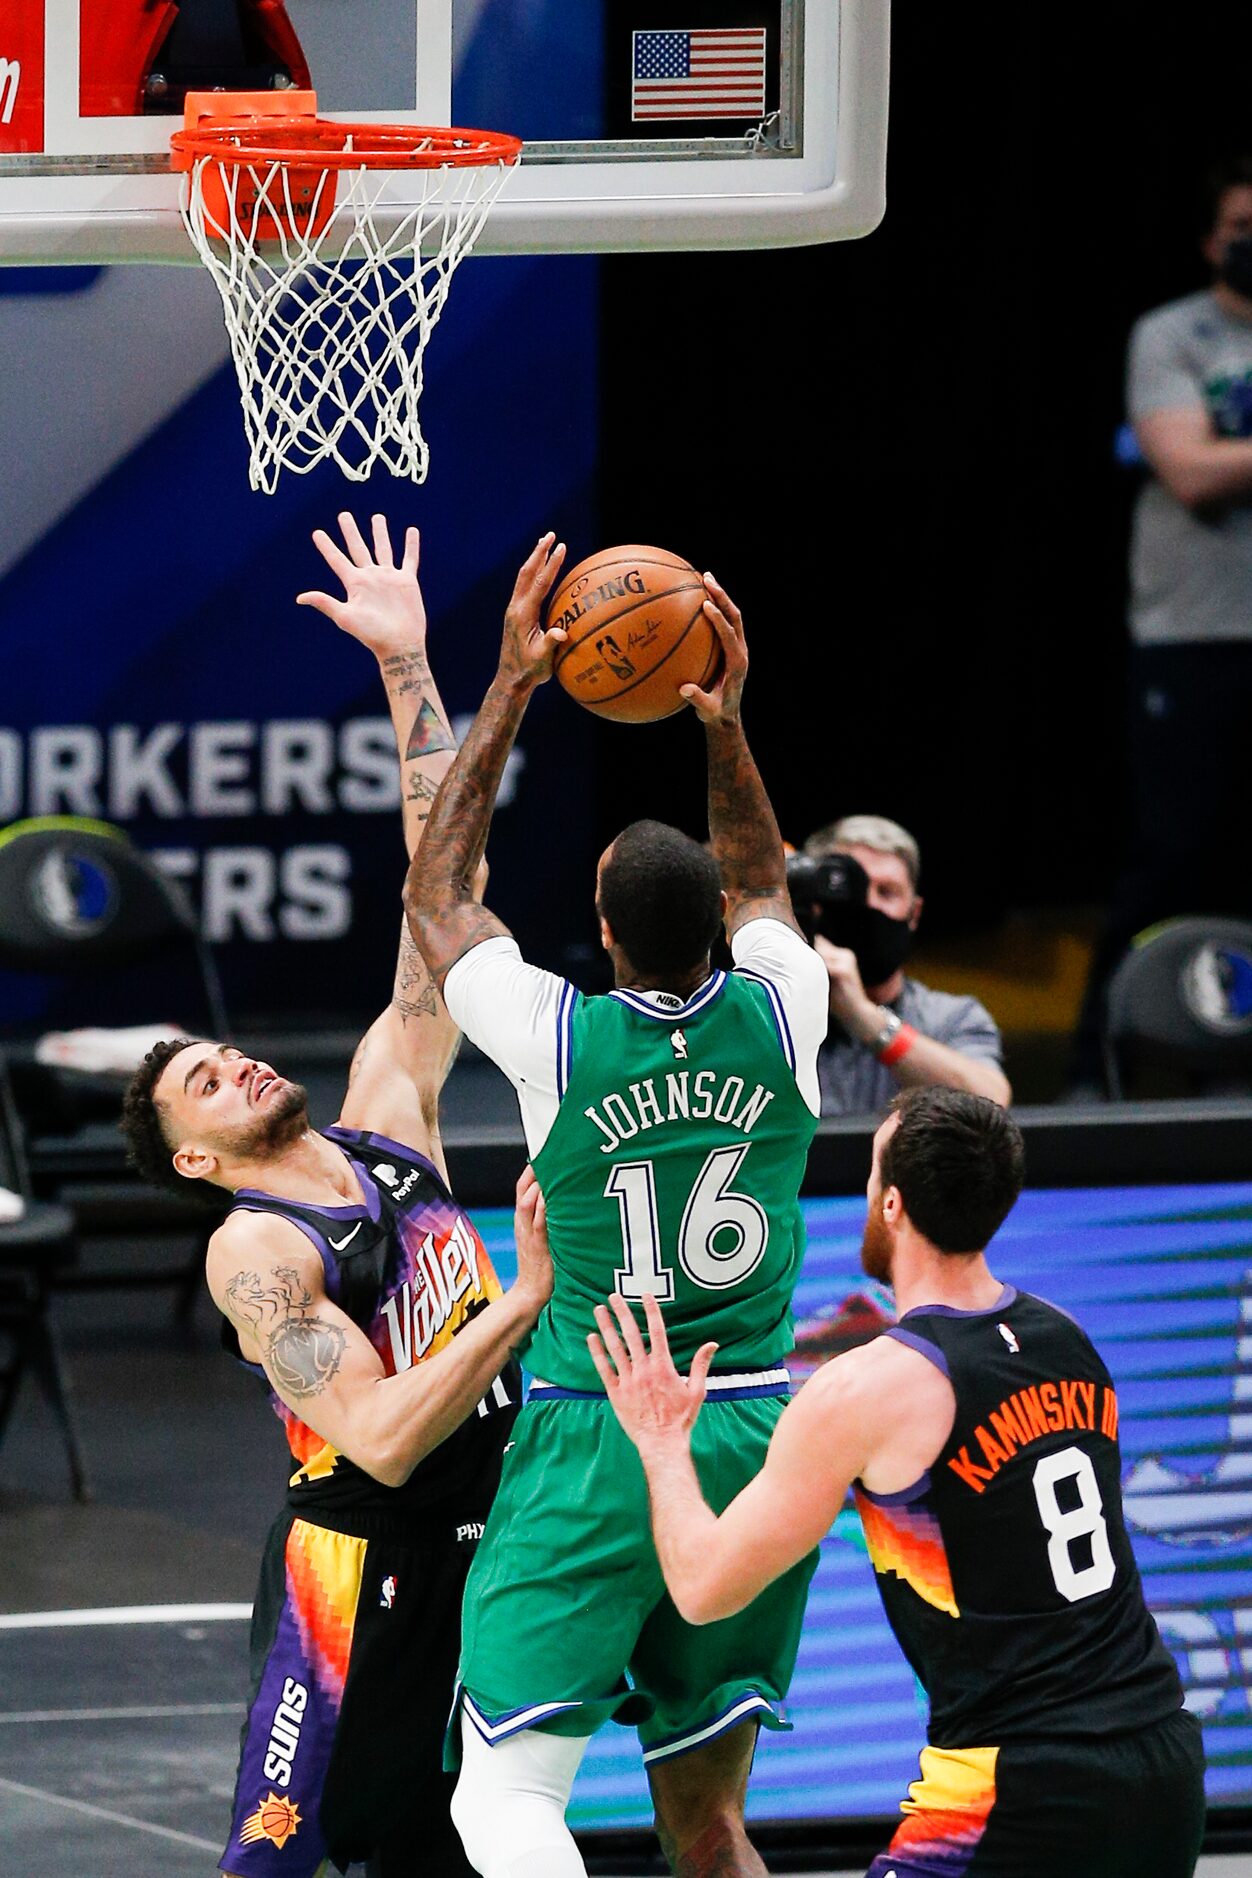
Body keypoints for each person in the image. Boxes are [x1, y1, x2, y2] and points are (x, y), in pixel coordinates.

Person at [118, 513, 550, 1878]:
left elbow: (445, 902)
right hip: (360, 1573)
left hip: (499, 1529)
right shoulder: (255, 1246)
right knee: (293, 1863)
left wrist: (419, 673)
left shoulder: (386, 1115)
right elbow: (376, 1438)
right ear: (195, 1156)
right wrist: (525, 1298)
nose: (233, 1062)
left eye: (226, 1050)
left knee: (460, 1852)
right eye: (203, 1082)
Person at [403, 535, 830, 1878]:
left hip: (595, 1434)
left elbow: (440, 893)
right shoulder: (787, 1005)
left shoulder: (556, 1040)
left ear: (598, 919)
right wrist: (725, 717)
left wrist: (519, 683)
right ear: (725, 926)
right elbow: (764, 872)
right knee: (707, 1826)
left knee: (504, 1802)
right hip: (750, 1427)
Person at [590, 1087, 1206, 1878]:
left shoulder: (868, 1388)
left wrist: (660, 1440)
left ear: (890, 1203)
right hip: (1164, 1757)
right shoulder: (1067, 1337)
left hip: (1020, 1778)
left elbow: (705, 1588)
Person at [1066, 151, 1252, 1095]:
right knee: (1170, 858)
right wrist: (1220, 457)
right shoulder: (1171, 335)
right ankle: (1098, 1065)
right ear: (1209, 237)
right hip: (1193, 636)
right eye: (1239, 226)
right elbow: (1189, 469)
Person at [797, 815, 1010, 1115]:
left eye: (887, 892)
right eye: (852, 890)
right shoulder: (771, 1014)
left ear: (914, 913)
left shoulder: (952, 1019)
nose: (870, 906)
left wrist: (864, 1016)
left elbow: (991, 1105)